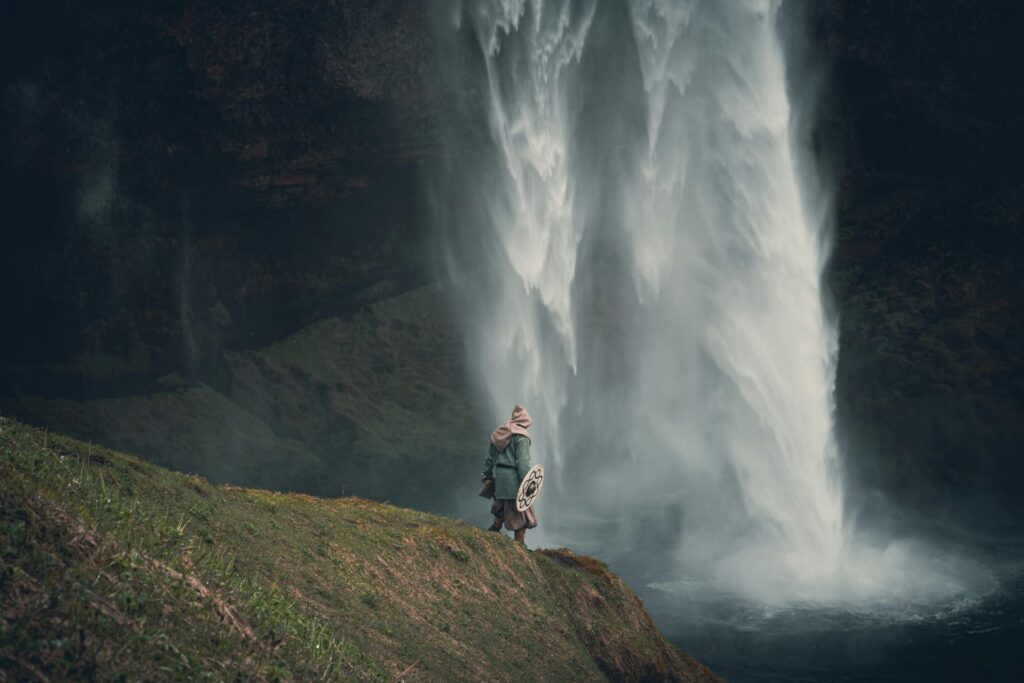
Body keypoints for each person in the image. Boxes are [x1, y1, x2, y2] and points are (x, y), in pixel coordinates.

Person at [480, 404, 535, 543]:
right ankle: (520, 544)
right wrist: (528, 482)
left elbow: (490, 457)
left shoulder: (500, 433)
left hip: (500, 476)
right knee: (520, 510)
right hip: (514, 479)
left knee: (501, 504)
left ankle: (494, 530)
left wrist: (486, 474)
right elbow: (523, 462)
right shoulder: (522, 437)